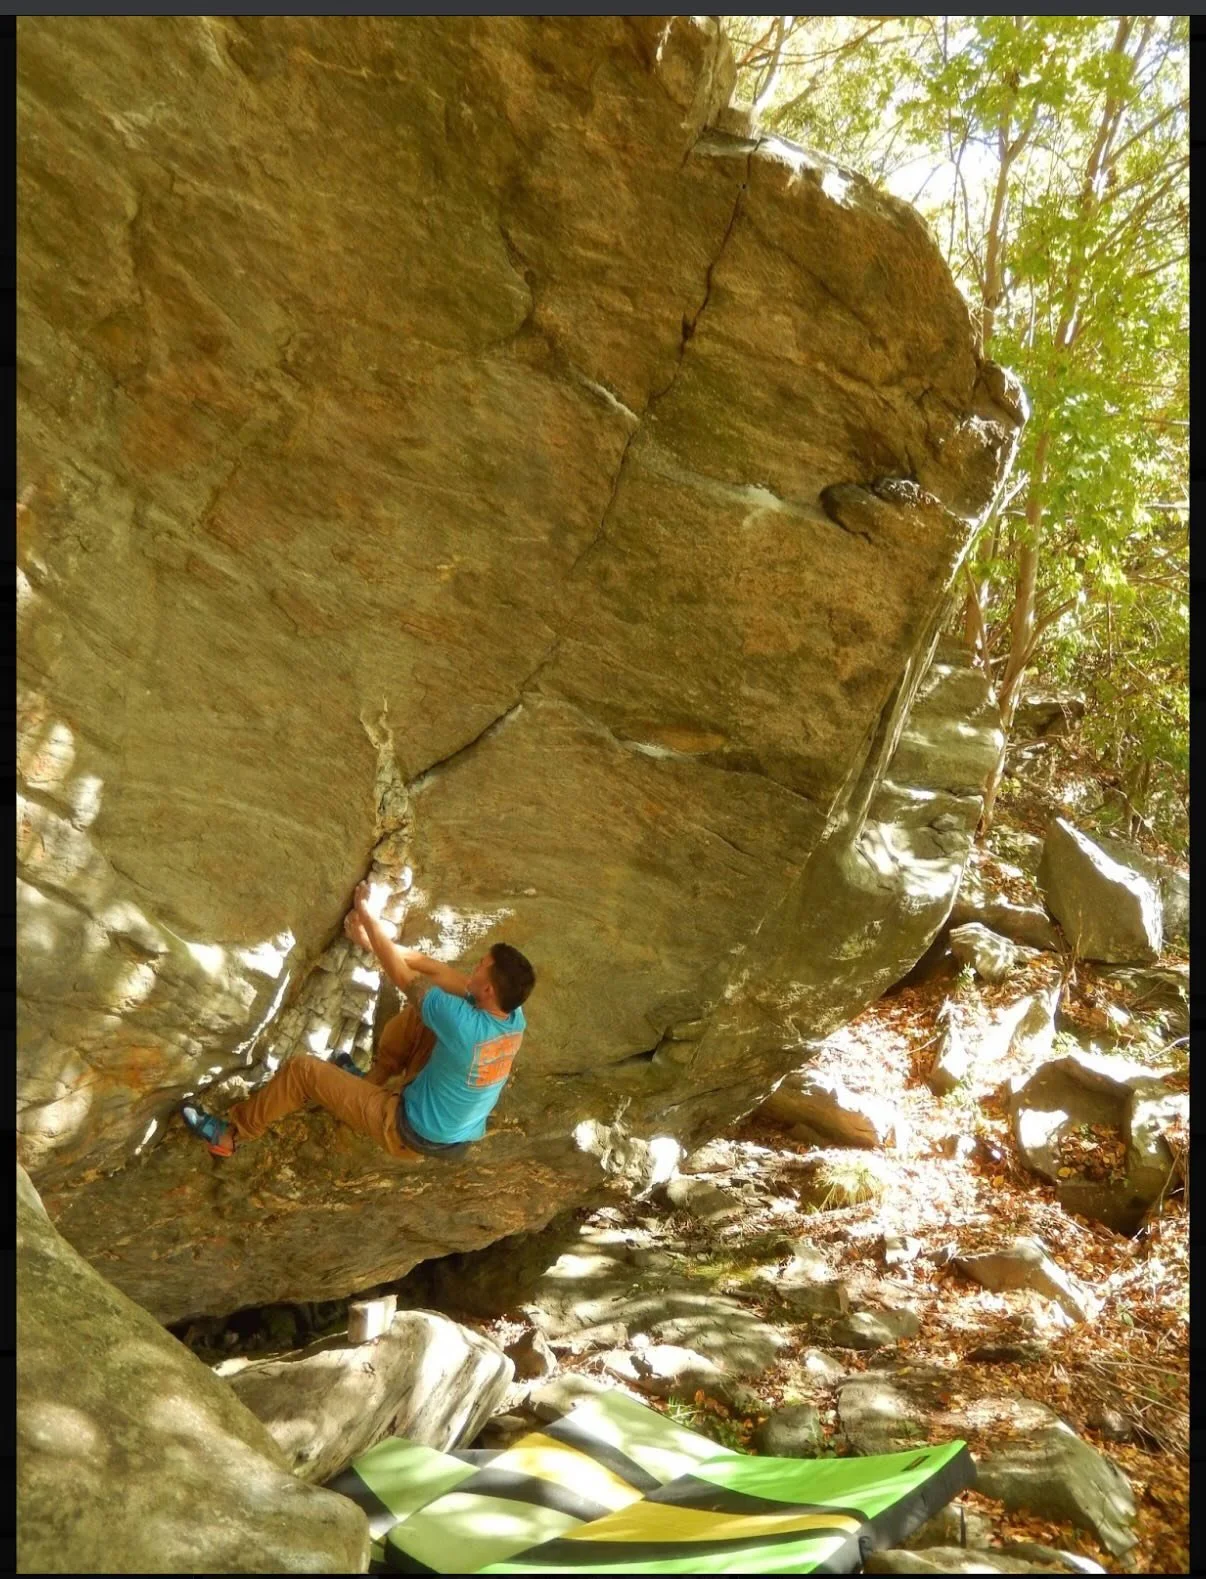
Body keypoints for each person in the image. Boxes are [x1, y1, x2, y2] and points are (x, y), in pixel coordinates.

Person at [181, 881, 535, 1162]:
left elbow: (402, 976)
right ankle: (373, 1081)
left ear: (488, 989)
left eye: (480, 965)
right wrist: (368, 942)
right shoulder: (511, 1016)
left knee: (303, 1071)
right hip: (451, 1132)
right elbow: (435, 970)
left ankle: (232, 1135)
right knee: (423, 1015)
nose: (472, 967)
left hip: (409, 1130)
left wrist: (367, 915)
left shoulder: (465, 1026)